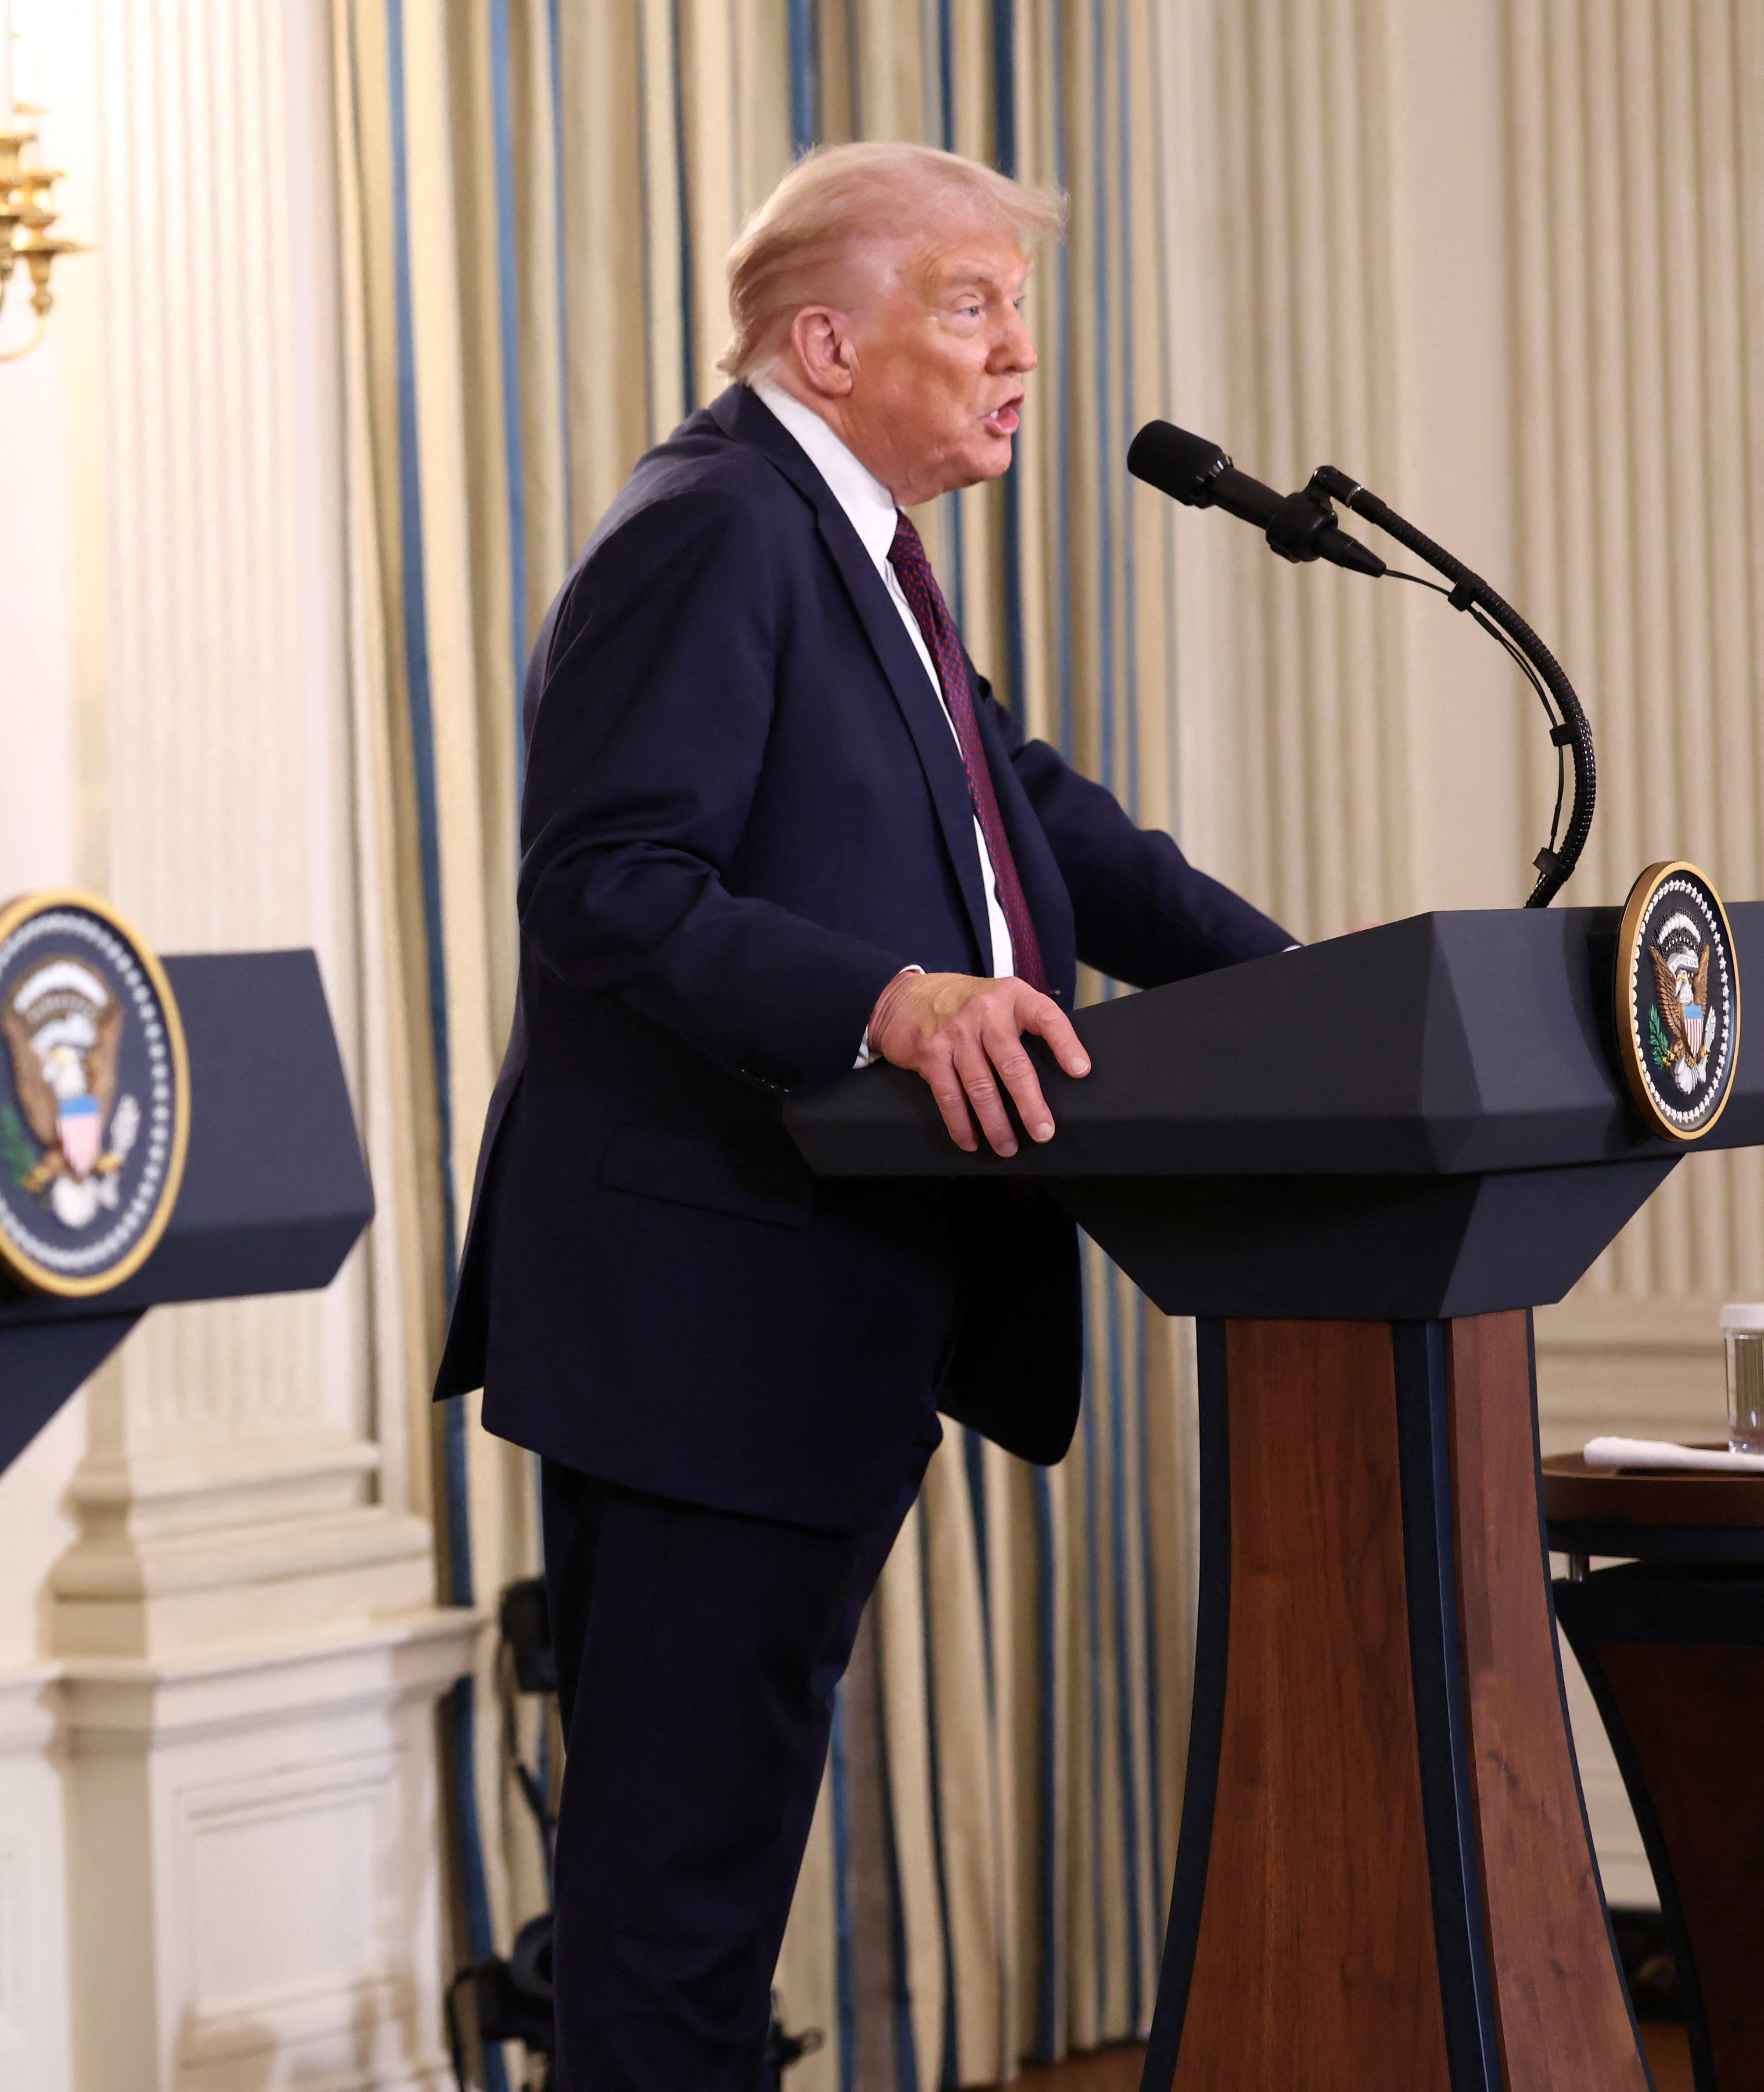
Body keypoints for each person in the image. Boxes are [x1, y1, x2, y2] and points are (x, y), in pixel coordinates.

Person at [436, 142, 1289, 2085]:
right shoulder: (714, 526)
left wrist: (1329, 991)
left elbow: (1047, 826)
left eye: (1014, 311)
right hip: (699, 1321)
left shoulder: (854, 556)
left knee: (710, 1894)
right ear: (823, 342)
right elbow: (602, 881)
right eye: (969, 306)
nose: (1018, 357)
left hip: (809, 1312)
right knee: (667, 1915)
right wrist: (886, 1000)